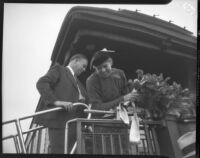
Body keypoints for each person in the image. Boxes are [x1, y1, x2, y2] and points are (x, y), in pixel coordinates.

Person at [34, 53, 88, 154]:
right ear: (75, 60)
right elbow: (41, 83)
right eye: (83, 66)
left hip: (74, 126)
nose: (84, 69)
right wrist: (56, 101)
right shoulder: (60, 70)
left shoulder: (80, 84)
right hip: (59, 123)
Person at [86, 49, 138, 118]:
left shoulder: (120, 73)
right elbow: (96, 107)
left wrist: (134, 88)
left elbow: (126, 95)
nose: (103, 70)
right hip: (101, 121)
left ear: (110, 62)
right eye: (98, 68)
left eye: (105, 66)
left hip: (121, 117)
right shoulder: (91, 81)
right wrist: (122, 99)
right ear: (94, 68)